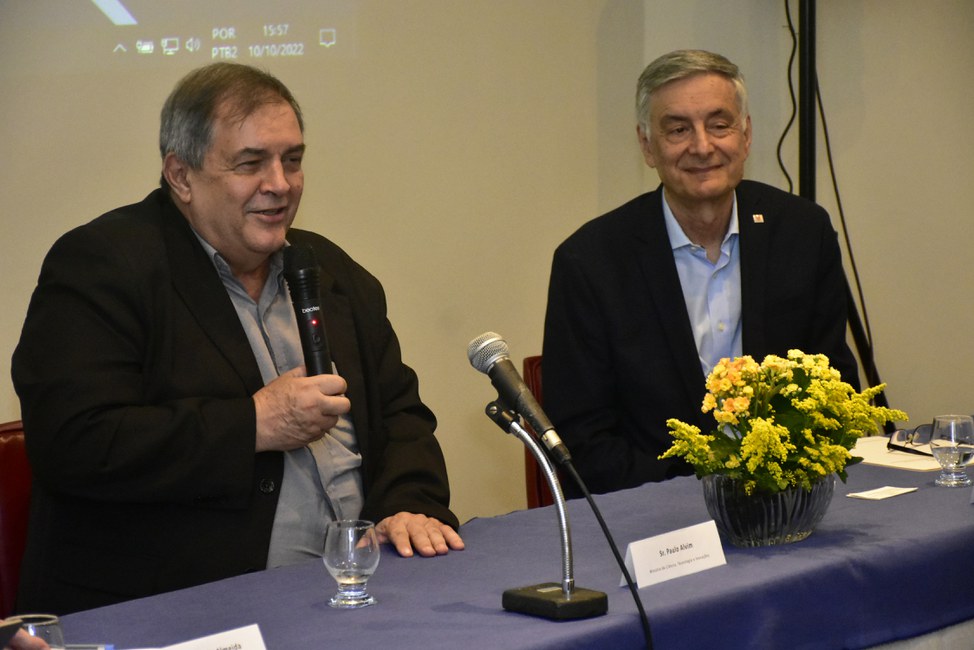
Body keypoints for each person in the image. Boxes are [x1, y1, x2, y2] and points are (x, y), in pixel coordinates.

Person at [11, 62, 463, 615]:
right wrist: (251, 425)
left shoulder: (330, 269)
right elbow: (74, 443)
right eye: (251, 163)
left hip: (353, 596)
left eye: (292, 160)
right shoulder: (104, 266)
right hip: (179, 608)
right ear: (181, 176)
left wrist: (408, 504)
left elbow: (401, 415)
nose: (280, 184)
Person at [542, 49, 859, 496]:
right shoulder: (590, 262)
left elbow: (835, 390)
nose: (703, 146)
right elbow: (582, 441)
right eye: (677, 129)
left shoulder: (804, 233)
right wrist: (701, 494)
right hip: (655, 516)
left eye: (719, 124)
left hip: (788, 499)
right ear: (647, 145)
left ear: (746, 135)